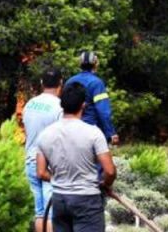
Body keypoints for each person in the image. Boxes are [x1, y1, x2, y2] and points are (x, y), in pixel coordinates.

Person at [36, 82, 116, 232]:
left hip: (60, 200)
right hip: (87, 201)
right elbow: (110, 171)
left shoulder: (45, 134)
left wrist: (60, 179)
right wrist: (105, 184)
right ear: (84, 105)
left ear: (62, 104)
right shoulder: (93, 133)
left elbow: (40, 172)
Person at [22, 68, 64, 232]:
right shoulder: (60, 107)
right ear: (61, 83)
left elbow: (27, 132)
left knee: (39, 213)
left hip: (30, 160)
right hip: (49, 165)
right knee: (51, 213)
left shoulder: (30, 104)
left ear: (41, 83)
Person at [65, 51, 118, 145]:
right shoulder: (97, 83)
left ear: (80, 64)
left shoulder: (69, 81)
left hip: (69, 130)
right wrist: (111, 133)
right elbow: (103, 111)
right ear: (95, 64)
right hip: (91, 130)